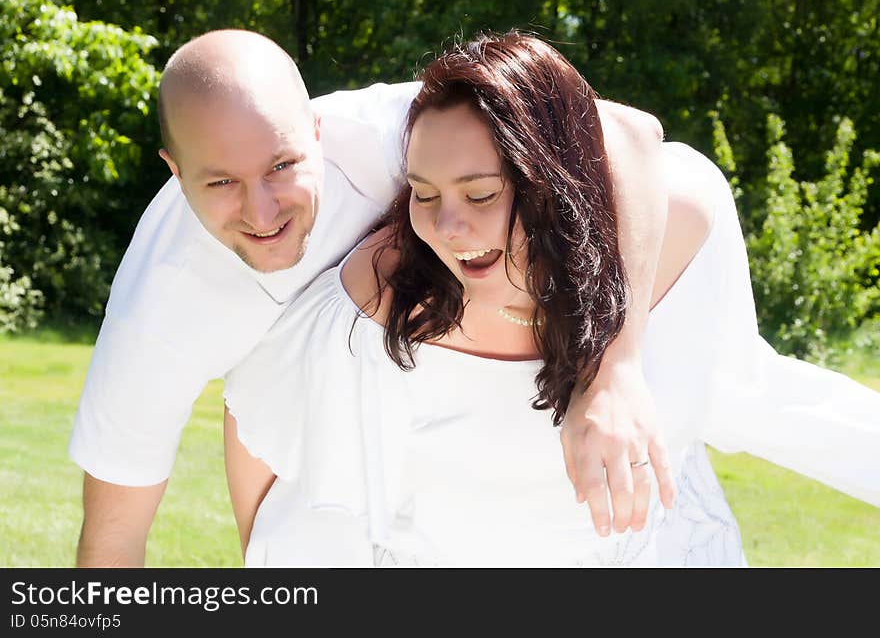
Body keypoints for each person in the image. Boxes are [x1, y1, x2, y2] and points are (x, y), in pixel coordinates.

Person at [223, 32, 880, 566]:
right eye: (424, 194)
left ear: (554, 179)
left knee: (742, 395)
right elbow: (257, 420)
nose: (448, 227)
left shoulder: (676, 222)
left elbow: (641, 137)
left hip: (643, 547)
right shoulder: (388, 292)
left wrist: (614, 367)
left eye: (480, 193)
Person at [68, 29, 676, 567]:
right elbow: (111, 550)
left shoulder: (390, 133)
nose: (262, 212)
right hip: (304, 428)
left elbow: (629, 131)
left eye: (282, 166)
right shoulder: (156, 320)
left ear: (316, 129)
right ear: (174, 172)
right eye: (222, 182)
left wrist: (614, 372)